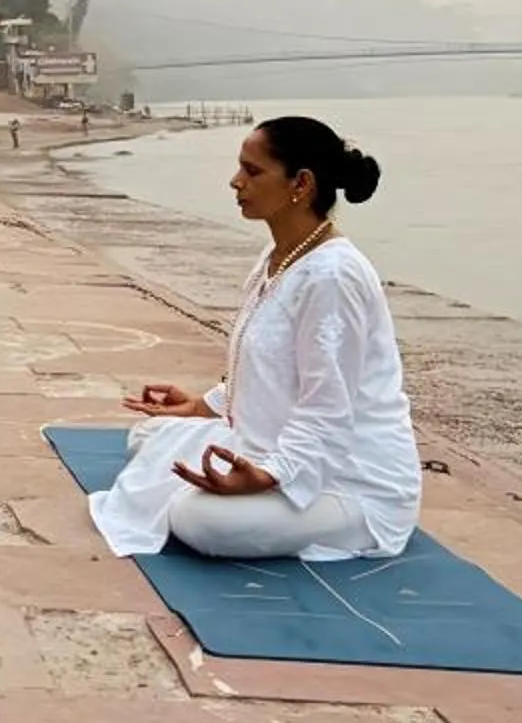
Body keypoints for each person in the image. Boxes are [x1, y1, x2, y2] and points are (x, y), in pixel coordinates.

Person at [90, 116, 423, 562]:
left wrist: (271, 474)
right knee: (149, 437)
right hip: (275, 439)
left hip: (349, 478)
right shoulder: (279, 255)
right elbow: (273, 368)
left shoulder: (333, 277)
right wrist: (200, 405)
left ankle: (326, 518)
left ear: (300, 183)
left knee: (199, 519)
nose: (236, 181)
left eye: (252, 171)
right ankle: (238, 475)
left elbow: (328, 406)